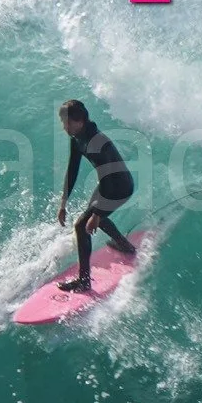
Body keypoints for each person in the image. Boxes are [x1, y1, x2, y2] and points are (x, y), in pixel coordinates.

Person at [56, 98, 136, 292]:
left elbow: (110, 180)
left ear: (79, 120)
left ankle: (84, 281)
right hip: (106, 184)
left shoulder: (98, 142)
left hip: (120, 187)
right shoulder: (77, 138)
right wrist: (63, 202)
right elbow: (73, 169)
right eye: (62, 122)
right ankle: (125, 245)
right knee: (90, 218)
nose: (64, 127)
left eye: (66, 122)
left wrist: (97, 214)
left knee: (82, 225)